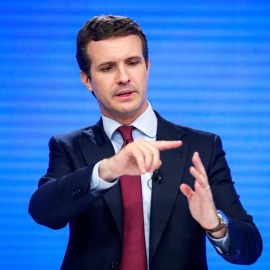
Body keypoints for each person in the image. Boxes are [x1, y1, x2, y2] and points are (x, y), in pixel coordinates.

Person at [28, 15, 262, 270]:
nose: (123, 77)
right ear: (86, 79)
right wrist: (107, 170)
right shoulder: (68, 146)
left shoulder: (202, 146)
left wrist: (215, 224)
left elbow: (250, 248)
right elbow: (43, 212)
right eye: (108, 68)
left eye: (132, 63)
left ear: (147, 66)